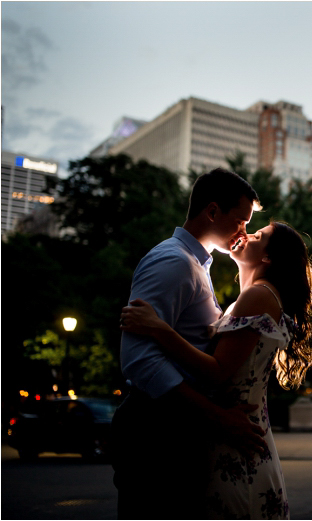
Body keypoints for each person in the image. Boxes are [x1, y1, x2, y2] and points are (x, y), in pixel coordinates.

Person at [121, 218, 312, 519]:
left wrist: (159, 329)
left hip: (235, 443)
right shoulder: (257, 295)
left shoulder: (258, 295)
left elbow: (218, 371)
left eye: (258, 234)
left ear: (267, 257)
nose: (246, 233)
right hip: (236, 434)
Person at [111, 167, 264, 520]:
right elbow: (138, 361)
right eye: (240, 220)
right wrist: (218, 418)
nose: (244, 232)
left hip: (176, 427)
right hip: (156, 430)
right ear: (212, 212)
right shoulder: (173, 261)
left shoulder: (196, 264)